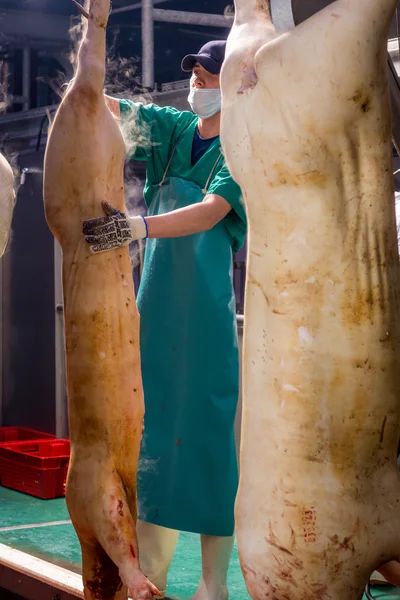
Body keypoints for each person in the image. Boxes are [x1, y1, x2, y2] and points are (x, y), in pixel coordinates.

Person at [82, 40, 247, 600]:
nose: (197, 85)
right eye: (195, 76)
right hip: (152, 318)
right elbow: (108, 106)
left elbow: (211, 212)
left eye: (207, 76)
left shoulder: (241, 150)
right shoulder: (175, 129)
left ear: (232, 84)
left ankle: (213, 584)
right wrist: (83, 77)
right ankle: (147, 569)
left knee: (208, 445)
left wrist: (136, 228)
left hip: (205, 326)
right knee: (150, 440)